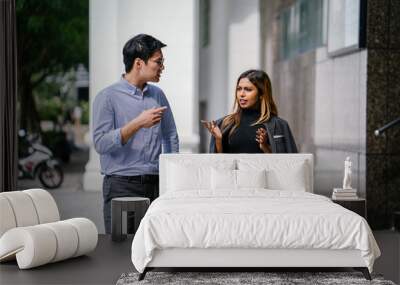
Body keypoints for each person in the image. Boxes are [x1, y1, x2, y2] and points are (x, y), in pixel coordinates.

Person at [92, 34, 179, 234]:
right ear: (139, 63)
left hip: (157, 186)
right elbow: (100, 144)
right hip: (121, 186)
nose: (162, 67)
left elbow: (170, 135)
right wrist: (138, 123)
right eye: (158, 62)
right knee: (122, 253)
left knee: (157, 248)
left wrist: (170, 174)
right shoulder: (107, 98)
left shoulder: (158, 95)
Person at [202, 69, 297, 153]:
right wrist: (218, 140)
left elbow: (287, 165)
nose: (241, 94)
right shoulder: (223, 124)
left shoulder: (279, 125)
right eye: (239, 89)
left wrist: (265, 147)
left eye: (248, 89)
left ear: (261, 94)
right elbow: (219, 165)